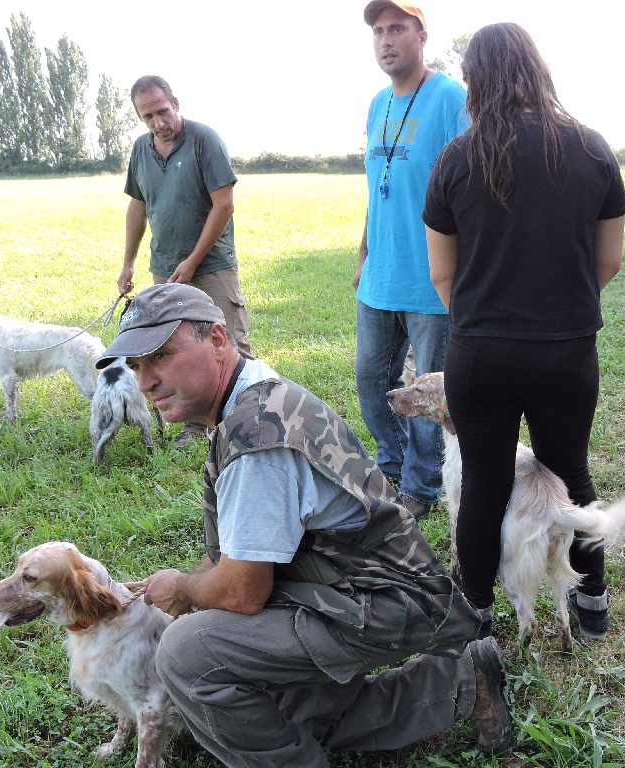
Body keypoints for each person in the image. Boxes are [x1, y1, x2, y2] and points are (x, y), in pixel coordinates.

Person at [95, 282, 515, 767]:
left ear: (215, 339)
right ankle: (462, 683)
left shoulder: (257, 439)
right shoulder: (252, 395)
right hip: (361, 588)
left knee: (187, 654)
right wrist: (186, 587)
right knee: (277, 706)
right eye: (136, 366)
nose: (145, 382)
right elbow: (231, 555)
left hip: (383, 601)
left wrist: (185, 590)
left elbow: (242, 592)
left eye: (161, 356)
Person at [421, 22, 625, 640]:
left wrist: (484, 319)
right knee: (571, 470)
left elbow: (442, 274)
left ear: (475, 80)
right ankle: (592, 603)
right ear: (539, 69)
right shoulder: (592, 149)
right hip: (566, 352)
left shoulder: (455, 159)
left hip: (480, 353)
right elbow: (610, 261)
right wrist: (559, 308)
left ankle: (478, 613)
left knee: (485, 481)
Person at [355, 1, 468, 520]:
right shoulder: (378, 103)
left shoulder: (451, 99)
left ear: (422, 35)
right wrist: (364, 251)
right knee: (371, 380)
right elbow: (379, 190)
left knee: (428, 389)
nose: (385, 40)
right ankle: (393, 462)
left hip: (433, 281)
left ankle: (420, 488)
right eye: (378, 31)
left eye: (397, 28)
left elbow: (472, 186)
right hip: (380, 276)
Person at [120, 75, 255, 450]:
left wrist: (194, 260)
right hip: (164, 267)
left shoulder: (204, 140)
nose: (158, 122)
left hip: (212, 266)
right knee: (173, 350)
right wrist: (128, 263)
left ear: (175, 103)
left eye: (163, 111)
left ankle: (248, 420)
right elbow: (137, 206)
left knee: (228, 342)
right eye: (147, 116)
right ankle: (195, 425)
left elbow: (224, 204)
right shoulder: (141, 151)